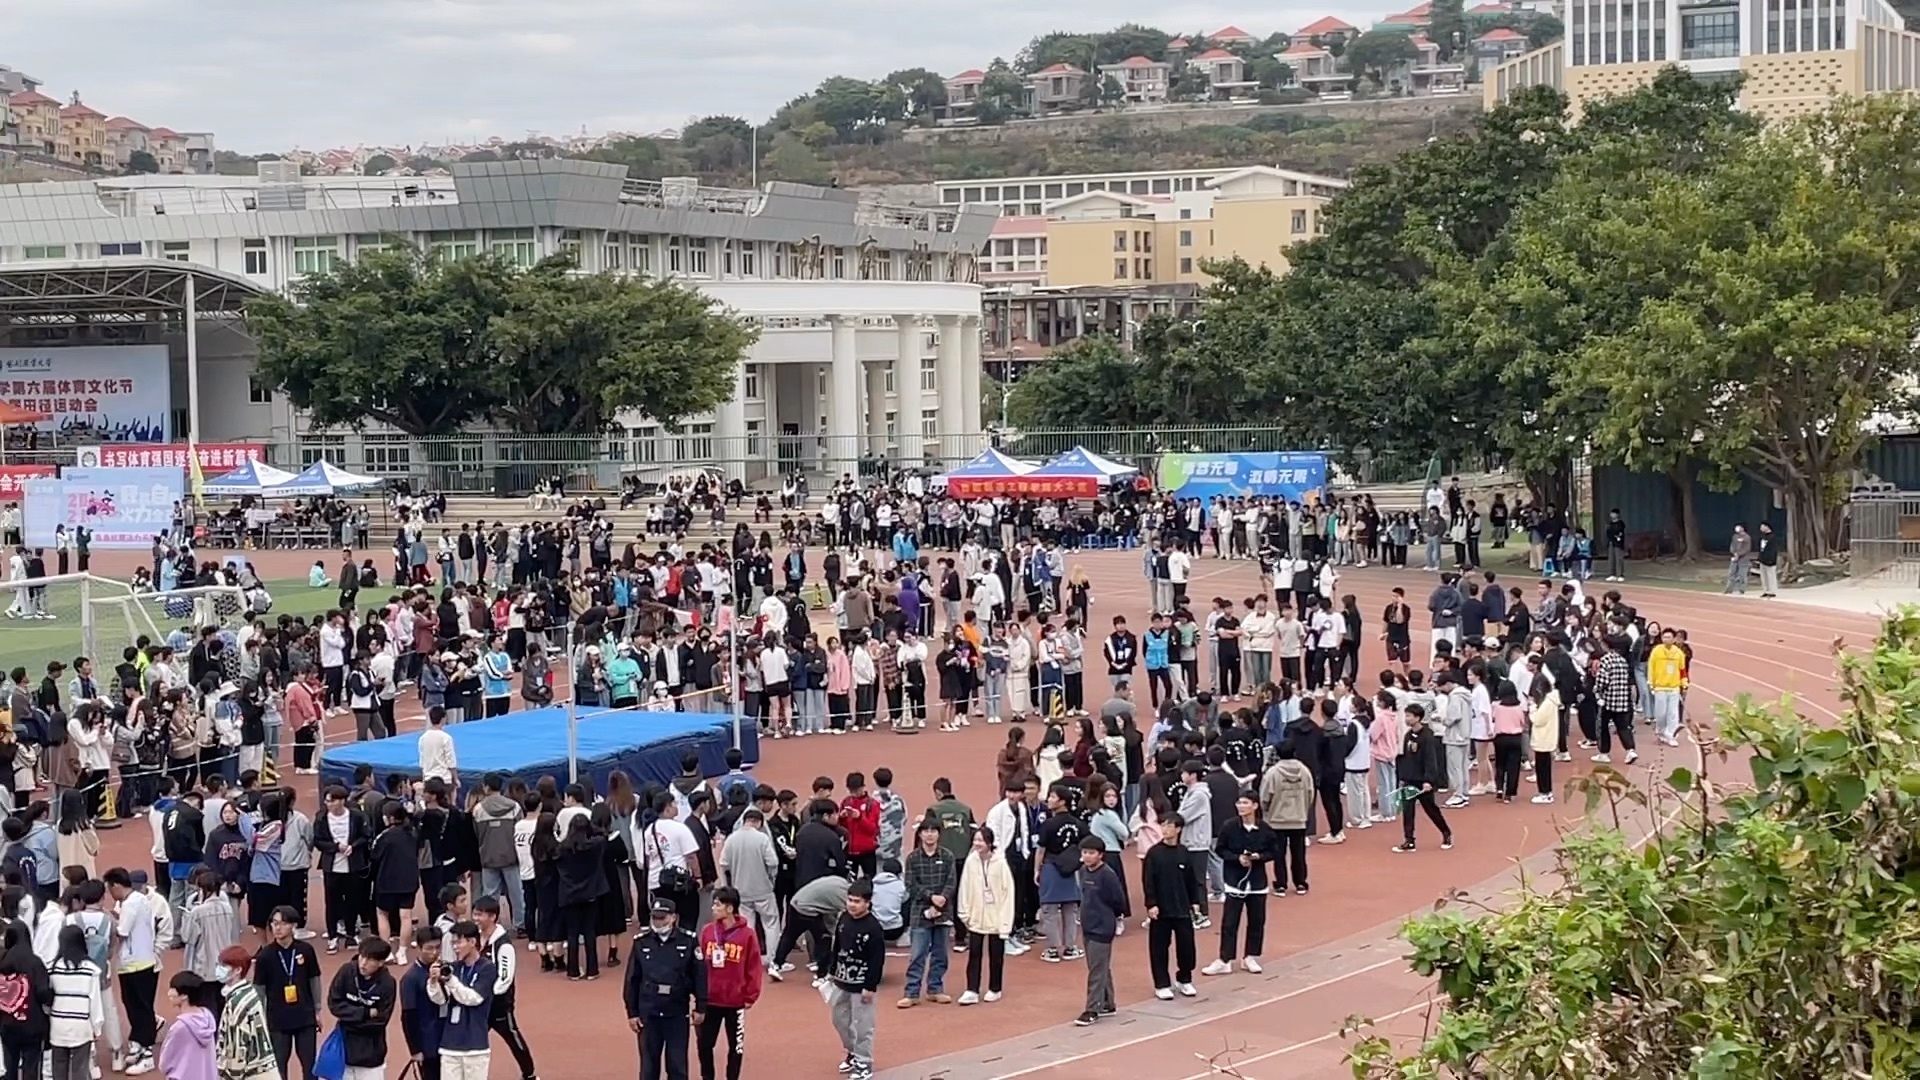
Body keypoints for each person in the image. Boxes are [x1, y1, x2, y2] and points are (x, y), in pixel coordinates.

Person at [625, 897, 706, 1080]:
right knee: (648, 1068)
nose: (658, 921)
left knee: (677, 1067)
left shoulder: (688, 941)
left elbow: (699, 976)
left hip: (676, 1013)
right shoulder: (641, 943)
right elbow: (632, 980)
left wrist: (701, 1006)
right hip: (649, 1013)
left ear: (673, 917)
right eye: (655, 917)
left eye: (662, 917)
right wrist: (632, 1012)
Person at [1207, 793, 1278, 976]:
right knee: (1229, 922)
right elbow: (1220, 849)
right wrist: (1237, 858)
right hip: (1234, 881)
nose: (1240, 806)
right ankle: (1225, 959)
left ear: (1255, 806)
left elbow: (1274, 851)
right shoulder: (1229, 827)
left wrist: (1259, 857)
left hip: (1257, 882)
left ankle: (1250, 956)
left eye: (1245, 803)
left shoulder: (1265, 829)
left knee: (1257, 920)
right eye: (1239, 802)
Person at [694, 887, 761, 1080]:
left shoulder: (747, 935)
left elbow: (753, 966)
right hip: (710, 1000)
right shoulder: (707, 932)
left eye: (717, 904)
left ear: (730, 908)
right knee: (705, 1044)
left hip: (735, 1001)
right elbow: (699, 965)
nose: (713, 908)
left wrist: (750, 995)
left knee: (736, 1047)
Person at [251, 905, 321, 1078]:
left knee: (310, 1065)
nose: (277, 928)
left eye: (282, 923)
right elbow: (259, 989)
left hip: (304, 1016)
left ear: (293, 925)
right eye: (274, 923)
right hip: (277, 1019)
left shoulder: (306, 950)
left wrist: (317, 1010)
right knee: (279, 1067)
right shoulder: (265, 956)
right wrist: (260, 1019)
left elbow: (314, 979)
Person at [826, 879, 885, 1080]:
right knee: (838, 1018)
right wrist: (832, 970)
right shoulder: (844, 918)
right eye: (850, 900)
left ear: (867, 903)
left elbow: (877, 959)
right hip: (841, 980)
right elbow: (837, 945)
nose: (852, 904)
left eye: (857, 901)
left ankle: (864, 1063)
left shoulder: (873, 927)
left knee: (863, 1025)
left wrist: (870, 986)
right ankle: (852, 1051)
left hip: (861, 986)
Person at [474, 896, 539, 1080]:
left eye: (480, 914)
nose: (476, 918)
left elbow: (505, 977)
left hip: (499, 1004)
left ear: (493, 916)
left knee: (512, 1036)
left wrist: (487, 994)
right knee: (470, 1039)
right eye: (475, 914)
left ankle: (530, 1074)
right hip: (480, 1002)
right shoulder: (476, 938)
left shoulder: (503, 944)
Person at [106, 866, 162, 1075]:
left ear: (117, 886)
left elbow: (122, 931)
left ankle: (147, 1054)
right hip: (142, 961)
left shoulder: (129, 905)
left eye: (110, 889)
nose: (110, 894)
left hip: (134, 964)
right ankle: (138, 1043)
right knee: (136, 1005)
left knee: (139, 1007)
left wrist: (108, 921)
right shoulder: (139, 899)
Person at [898, 818, 956, 1008]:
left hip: (943, 912)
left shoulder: (947, 856)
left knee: (941, 954)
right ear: (920, 834)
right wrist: (931, 897)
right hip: (919, 912)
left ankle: (935, 989)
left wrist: (941, 901)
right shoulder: (913, 858)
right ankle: (911, 992)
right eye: (926, 831)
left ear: (939, 834)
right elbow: (910, 885)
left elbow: (951, 882)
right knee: (917, 954)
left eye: (933, 830)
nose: (930, 834)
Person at [1142, 812, 1199, 1000]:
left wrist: (1195, 901)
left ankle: (1184, 979)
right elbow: (1148, 880)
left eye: (1169, 826)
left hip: (1182, 908)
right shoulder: (1154, 854)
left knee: (1187, 946)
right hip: (1161, 910)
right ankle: (1161, 983)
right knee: (1159, 947)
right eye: (1163, 825)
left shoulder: (1184, 852)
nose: (1165, 829)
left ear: (1178, 829)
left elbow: (1192, 880)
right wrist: (1151, 903)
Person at [430, 922, 496, 1080]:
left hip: (475, 1045)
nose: (455, 947)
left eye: (458, 942)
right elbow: (439, 999)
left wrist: (451, 981)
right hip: (449, 1045)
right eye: (453, 943)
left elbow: (474, 998)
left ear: (472, 942)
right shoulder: (454, 968)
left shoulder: (487, 968)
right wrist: (433, 981)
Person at [955, 825, 1012, 1006]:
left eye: (981, 840)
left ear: (989, 843)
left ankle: (995, 988)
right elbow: (965, 886)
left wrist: (1005, 922)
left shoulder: (1001, 863)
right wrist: (964, 913)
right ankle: (972, 989)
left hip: (996, 915)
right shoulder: (971, 861)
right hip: (976, 915)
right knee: (974, 953)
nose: (977, 843)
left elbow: (1008, 892)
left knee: (996, 954)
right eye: (975, 840)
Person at [325, 937, 397, 1080]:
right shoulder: (346, 971)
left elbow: (380, 1022)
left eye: (370, 960)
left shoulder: (388, 983)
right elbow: (334, 1004)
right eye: (362, 956)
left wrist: (349, 1019)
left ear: (381, 962)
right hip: (343, 1051)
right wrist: (365, 1013)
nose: (363, 963)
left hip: (371, 1056)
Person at [1072, 837, 1126, 1028]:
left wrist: (1111, 917)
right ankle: (1108, 1002)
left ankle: (1092, 1009)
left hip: (1102, 928)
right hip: (1088, 925)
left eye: (1091, 853)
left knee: (1096, 969)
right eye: (1084, 852)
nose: (1087, 856)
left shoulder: (1107, 875)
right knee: (1100, 966)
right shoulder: (1083, 872)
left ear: (1100, 855)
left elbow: (1118, 900)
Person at [215, 946, 281, 1080]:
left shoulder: (237, 1003)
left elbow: (237, 1046)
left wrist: (230, 1075)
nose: (219, 969)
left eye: (224, 966)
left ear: (238, 970)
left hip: (251, 1073)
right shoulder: (249, 993)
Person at [48, 924, 103, 1080]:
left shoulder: (54, 968)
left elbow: (49, 997)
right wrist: (97, 1028)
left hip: (58, 1025)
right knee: (80, 1069)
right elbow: (95, 1003)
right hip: (81, 1026)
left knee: (58, 1067)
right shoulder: (91, 969)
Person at [0, 921, 51, 1080]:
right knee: (31, 1066)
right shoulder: (35, 962)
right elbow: (43, 993)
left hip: (6, 1024)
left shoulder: (2, 960)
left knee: (10, 1067)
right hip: (32, 1025)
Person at [397, 928, 443, 1080]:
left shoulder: (445, 970)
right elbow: (408, 1016)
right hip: (428, 1044)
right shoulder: (411, 979)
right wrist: (415, 1049)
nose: (434, 952)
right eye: (429, 948)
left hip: (448, 1039)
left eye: (438, 947)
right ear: (418, 948)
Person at [157, 972, 218, 1080]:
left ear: (184, 995)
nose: (169, 993)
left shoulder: (179, 1027)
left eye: (173, 989)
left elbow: (165, 1062)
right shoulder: (208, 1018)